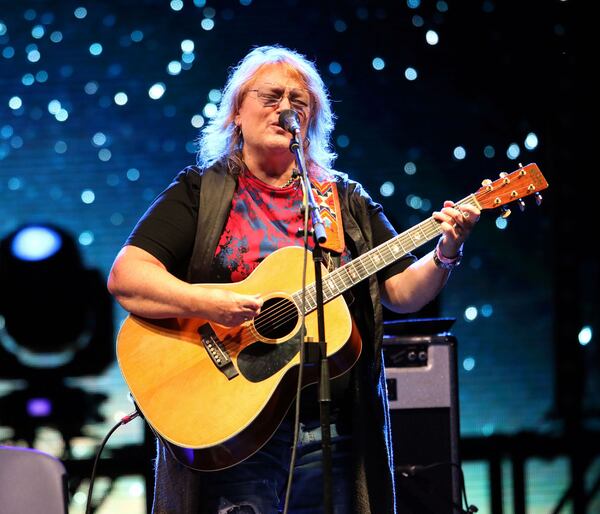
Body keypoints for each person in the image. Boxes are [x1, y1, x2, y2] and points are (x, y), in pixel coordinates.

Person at [107, 44, 480, 514]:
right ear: (236, 113)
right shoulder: (200, 191)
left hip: (332, 430)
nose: (285, 109)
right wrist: (209, 304)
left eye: (298, 102)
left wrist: (447, 250)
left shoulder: (341, 199)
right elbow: (127, 277)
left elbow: (401, 293)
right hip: (234, 423)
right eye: (271, 97)